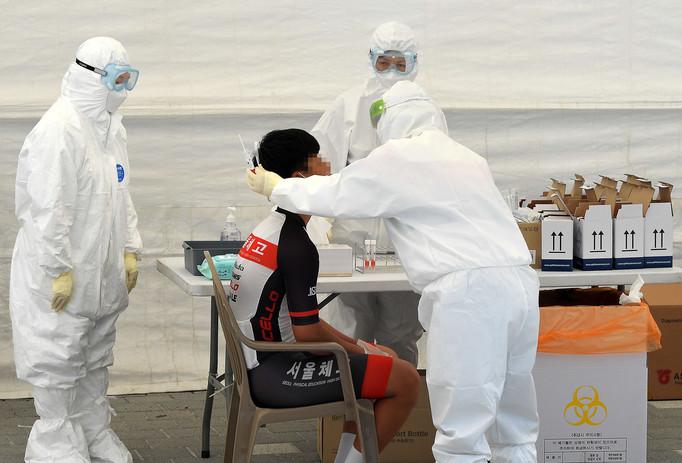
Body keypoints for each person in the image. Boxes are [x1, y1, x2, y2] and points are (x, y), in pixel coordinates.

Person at [247, 82, 540, 463]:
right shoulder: (467, 157)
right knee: (513, 420)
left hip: (470, 294)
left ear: (390, 120)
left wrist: (277, 187)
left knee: (462, 425)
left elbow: (338, 193)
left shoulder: (401, 156)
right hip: (518, 283)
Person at [231, 128, 420, 463]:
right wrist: (362, 350)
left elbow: (308, 324)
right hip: (276, 374)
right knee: (405, 379)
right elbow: (308, 335)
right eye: (318, 158)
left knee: (379, 359)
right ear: (300, 178)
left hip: (261, 365)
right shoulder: (296, 245)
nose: (329, 166)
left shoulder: (271, 229)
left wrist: (363, 348)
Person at [9, 37, 141, 463]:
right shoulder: (59, 130)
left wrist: (129, 248)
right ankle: (55, 443)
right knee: (57, 355)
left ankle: (92, 431)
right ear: (91, 77)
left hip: (102, 270)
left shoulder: (111, 129)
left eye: (129, 80)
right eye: (117, 80)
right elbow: (47, 207)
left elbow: (122, 193)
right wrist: (57, 269)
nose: (123, 90)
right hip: (63, 271)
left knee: (96, 353)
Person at [311, 21, 424, 365]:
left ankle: (398, 394)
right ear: (371, 58)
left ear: (415, 62)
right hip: (353, 241)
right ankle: (353, 399)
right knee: (349, 333)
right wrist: (317, 217)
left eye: (401, 63)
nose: (391, 72)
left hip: (403, 242)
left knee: (401, 333)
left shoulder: (424, 110)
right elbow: (319, 162)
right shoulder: (348, 105)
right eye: (383, 62)